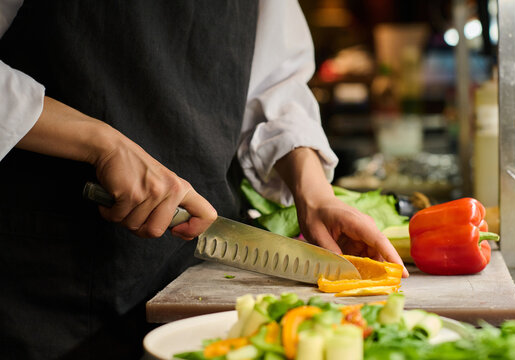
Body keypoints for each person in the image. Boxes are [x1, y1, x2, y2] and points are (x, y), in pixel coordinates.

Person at [0, 1, 407, 359]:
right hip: (45, 276)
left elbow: (276, 86)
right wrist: (101, 143)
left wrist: (315, 193)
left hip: (196, 270)